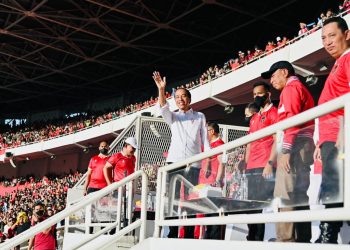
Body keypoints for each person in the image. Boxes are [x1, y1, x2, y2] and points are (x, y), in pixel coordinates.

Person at [261, 60, 315, 242]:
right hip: (303, 146)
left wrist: (285, 151)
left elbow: (291, 121)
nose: (272, 81)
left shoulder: (291, 89)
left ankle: (285, 241)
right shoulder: (299, 87)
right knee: (299, 196)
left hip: (295, 146)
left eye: (273, 75)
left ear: (284, 72)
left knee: (285, 195)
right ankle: (303, 240)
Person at [153, 71, 210, 239]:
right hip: (174, 163)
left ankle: (190, 233)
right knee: (174, 198)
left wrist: (207, 161)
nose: (180, 99)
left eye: (183, 96)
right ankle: (172, 232)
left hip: (194, 163)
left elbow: (205, 141)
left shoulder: (200, 116)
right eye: (177, 97)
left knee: (192, 199)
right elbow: (163, 107)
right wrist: (162, 90)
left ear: (189, 99)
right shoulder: (173, 116)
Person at [313, 16, 350, 244]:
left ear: (346, 34)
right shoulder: (338, 63)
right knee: (332, 187)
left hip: (341, 137)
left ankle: (327, 239)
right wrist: (321, 142)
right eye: (323, 38)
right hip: (330, 138)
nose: (327, 42)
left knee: (335, 188)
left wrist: (343, 131)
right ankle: (327, 238)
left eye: (332, 35)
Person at [244, 81, 278, 241]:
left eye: (259, 93)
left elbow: (277, 139)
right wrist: (245, 163)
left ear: (268, 94)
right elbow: (250, 142)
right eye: (254, 95)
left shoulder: (274, 113)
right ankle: (251, 238)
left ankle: (258, 240)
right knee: (251, 206)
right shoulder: (254, 117)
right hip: (252, 167)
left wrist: (270, 163)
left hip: (265, 166)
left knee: (262, 205)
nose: (257, 97)